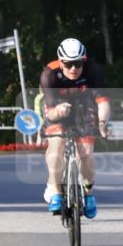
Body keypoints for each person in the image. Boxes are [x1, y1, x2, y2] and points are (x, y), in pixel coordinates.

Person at [40, 38, 110, 218]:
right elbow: (50, 114)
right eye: (69, 64)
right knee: (56, 148)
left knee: (86, 152)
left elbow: (103, 102)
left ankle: (89, 194)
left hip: (83, 108)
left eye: (77, 63)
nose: (73, 68)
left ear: (83, 61)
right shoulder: (50, 74)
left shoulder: (92, 70)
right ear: (61, 62)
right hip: (57, 109)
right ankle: (56, 191)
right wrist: (58, 111)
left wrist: (102, 123)